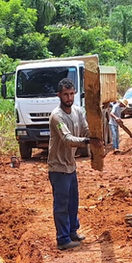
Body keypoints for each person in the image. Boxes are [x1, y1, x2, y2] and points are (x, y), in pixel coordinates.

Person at [48, 78, 98, 250]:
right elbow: (68, 139)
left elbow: (85, 129)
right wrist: (87, 141)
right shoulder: (57, 116)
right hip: (58, 167)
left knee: (72, 202)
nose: (69, 98)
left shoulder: (77, 111)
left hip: (70, 166)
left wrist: (96, 133)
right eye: (65, 95)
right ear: (59, 95)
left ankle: (72, 232)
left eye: (71, 94)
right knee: (61, 205)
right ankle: (62, 239)